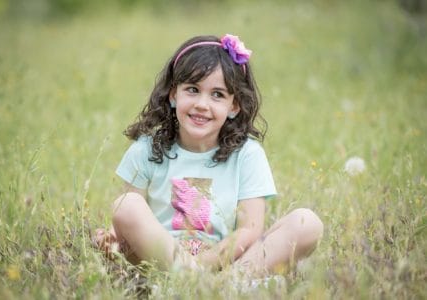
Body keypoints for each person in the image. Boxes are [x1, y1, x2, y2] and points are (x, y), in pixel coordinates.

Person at [94, 34, 323, 276]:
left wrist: (199, 268)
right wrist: (110, 239)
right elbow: (126, 221)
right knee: (125, 204)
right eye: (193, 89)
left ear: (234, 106)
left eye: (218, 95)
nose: (203, 104)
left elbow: (249, 230)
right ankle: (189, 280)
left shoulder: (247, 155)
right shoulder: (147, 148)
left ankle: (222, 286)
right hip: (157, 263)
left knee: (307, 223)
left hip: (226, 265)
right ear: (173, 95)